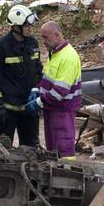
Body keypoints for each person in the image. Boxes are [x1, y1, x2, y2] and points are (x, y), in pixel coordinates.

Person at [0, 4, 41, 148]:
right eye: (27, 25)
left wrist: (38, 92)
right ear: (16, 27)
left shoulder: (33, 44)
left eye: (30, 25)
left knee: (32, 151)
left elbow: (38, 71)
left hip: (29, 111)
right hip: (7, 111)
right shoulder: (0, 47)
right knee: (0, 151)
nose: (30, 28)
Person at [27, 21, 82, 158]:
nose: (43, 42)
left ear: (57, 35)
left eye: (46, 37)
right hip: (52, 109)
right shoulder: (56, 54)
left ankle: (69, 175)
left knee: (64, 149)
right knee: (52, 149)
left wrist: (39, 102)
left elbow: (59, 92)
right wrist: (37, 89)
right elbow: (49, 78)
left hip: (62, 110)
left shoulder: (68, 57)